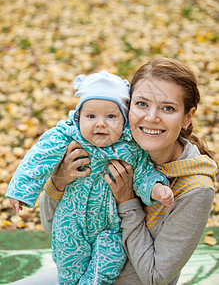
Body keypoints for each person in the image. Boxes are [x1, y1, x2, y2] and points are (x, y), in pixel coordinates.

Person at [36, 57, 216, 285]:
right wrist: (58, 181)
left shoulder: (195, 189)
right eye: (142, 104)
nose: (151, 117)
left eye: (168, 108)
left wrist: (127, 201)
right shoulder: (106, 148)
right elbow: (50, 226)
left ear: (187, 118)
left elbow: (155, 277)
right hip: (79, 275)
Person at [6, 71, 172, 285]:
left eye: (111, 116)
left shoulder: (130, 147)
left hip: (110, 226)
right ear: (78, 117)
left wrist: (157, 188)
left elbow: (143, 173)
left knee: (111, 259)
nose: (100, 124)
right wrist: (21, 190)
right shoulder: (67, 136)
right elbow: (38, 159)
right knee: (69, 265)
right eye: (91, 116)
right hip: (70, 221)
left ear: (124, 118)